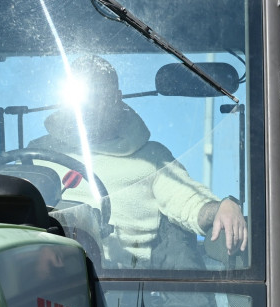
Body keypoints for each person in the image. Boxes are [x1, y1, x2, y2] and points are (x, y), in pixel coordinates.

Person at [28, 55, 246, 268]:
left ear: (116, 98)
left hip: (120, 281)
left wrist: (222, 207)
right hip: (46, 271)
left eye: (100, 94)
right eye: (86, 96)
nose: (91, 106)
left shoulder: (151, 157)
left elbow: (188, 201)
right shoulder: (37, 153)